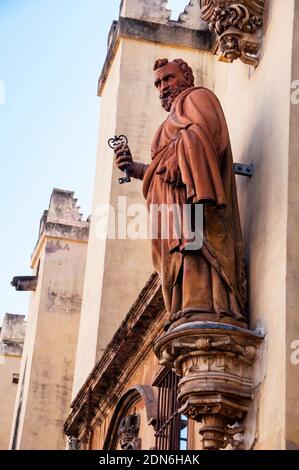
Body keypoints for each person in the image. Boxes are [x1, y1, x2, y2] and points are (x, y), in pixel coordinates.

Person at [114, 58, 247, 330]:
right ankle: (186, 308)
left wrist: (181, 153)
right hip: (172, 210)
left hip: (197, 202)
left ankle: (210, 307)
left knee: (196, 246)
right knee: (182, 256)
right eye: (158, 83)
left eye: (169, 78)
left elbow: (209, 137)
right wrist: (135, 167)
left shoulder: (198, 97)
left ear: (185, 77)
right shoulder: (166, 125)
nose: (163, 87)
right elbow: (163, 170)